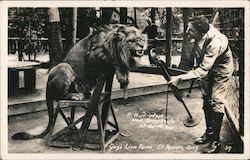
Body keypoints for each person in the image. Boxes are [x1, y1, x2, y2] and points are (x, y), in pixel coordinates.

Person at [169, 15, 234, 153]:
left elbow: (203, 69)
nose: (187, 31)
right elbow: (200, 62)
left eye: (191, 30)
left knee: (216, 100)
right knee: (206, 98)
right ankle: (209, 133)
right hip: (207, 66)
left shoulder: (215, 41)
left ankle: (216, 142)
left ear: (201, 32)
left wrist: (181, 77)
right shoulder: (199, 35)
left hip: (221, 67)